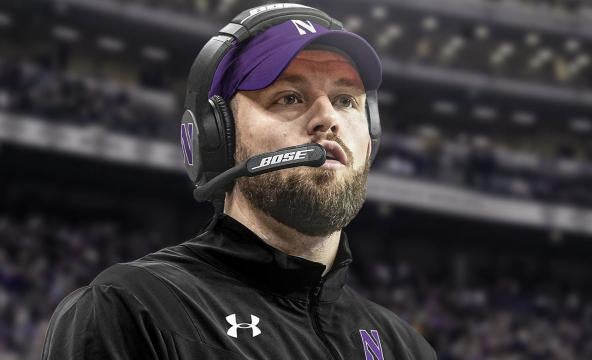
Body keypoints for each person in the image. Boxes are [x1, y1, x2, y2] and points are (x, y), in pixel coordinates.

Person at [42, 4, 437, 359]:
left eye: (346, 101)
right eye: (289, 97)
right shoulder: (134, 308)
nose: (327, 118)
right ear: (218, 136)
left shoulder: (405, 349)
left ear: (372, 138)